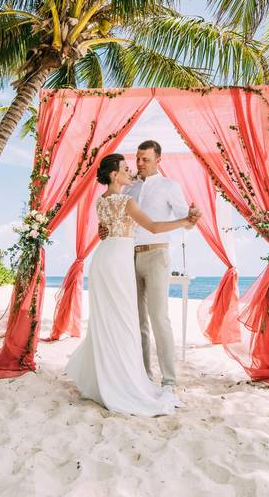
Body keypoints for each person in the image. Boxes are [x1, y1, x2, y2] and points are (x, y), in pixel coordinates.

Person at [65, 153, 195, 416]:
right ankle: (124, 380)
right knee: (124, 322)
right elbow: (155, 227)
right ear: (114, 174)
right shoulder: (126, 201)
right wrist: (185, 221)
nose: (130, 171)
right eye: (125, 168)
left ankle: (110, 377)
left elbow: (105, 230)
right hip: (119, 261)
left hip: (104, 259)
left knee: (109, 321)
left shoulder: (101, 201)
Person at [98, 140, 200, 401]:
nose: (140, 163)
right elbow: (115, 221)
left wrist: (191, 217)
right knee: (138, 321)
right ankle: (144, 374)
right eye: (138, 159)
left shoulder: (169, 186)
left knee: (159, 318)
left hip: (156, 255)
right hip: (127, 257)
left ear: (158, 160)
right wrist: (104, 230)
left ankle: (169, 379)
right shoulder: (128, 188)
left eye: (145, 159)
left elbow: (185, 222)